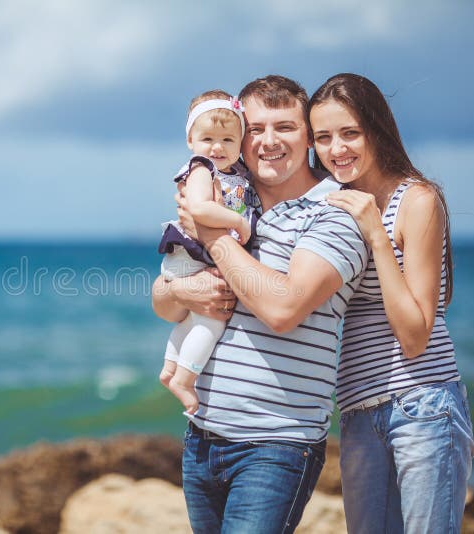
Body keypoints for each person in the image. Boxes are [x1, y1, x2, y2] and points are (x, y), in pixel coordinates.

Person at [152, 75, 368, 534]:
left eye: (285, 127)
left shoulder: (336, 211)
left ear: (308, 137)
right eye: (255, 128)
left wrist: (212, 233)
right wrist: (181, 291)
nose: (268, 141)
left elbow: (283, 309)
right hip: (202, 437)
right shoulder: (226, 193)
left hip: (277, 444)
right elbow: (163, 302)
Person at [308, 72, 474, 533]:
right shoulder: (332, 204)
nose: (336, 148)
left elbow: (415, 334)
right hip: (359, 412)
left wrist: (376, 233)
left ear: (376, 129)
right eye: (322, 137)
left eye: (349, 133)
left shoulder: (418, 199)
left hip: (421, 404)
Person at [158, 89, 254, 415]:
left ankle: (170, 367)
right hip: (189, 255)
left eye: (229, 139)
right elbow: (199, 208)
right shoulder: (202, 168)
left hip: (196, 256)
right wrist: (237, 223)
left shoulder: (236, 172)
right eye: (208, 138)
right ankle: (185, 381)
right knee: (213, 320)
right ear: (190, 140)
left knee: (195, 317)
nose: (218, 147)